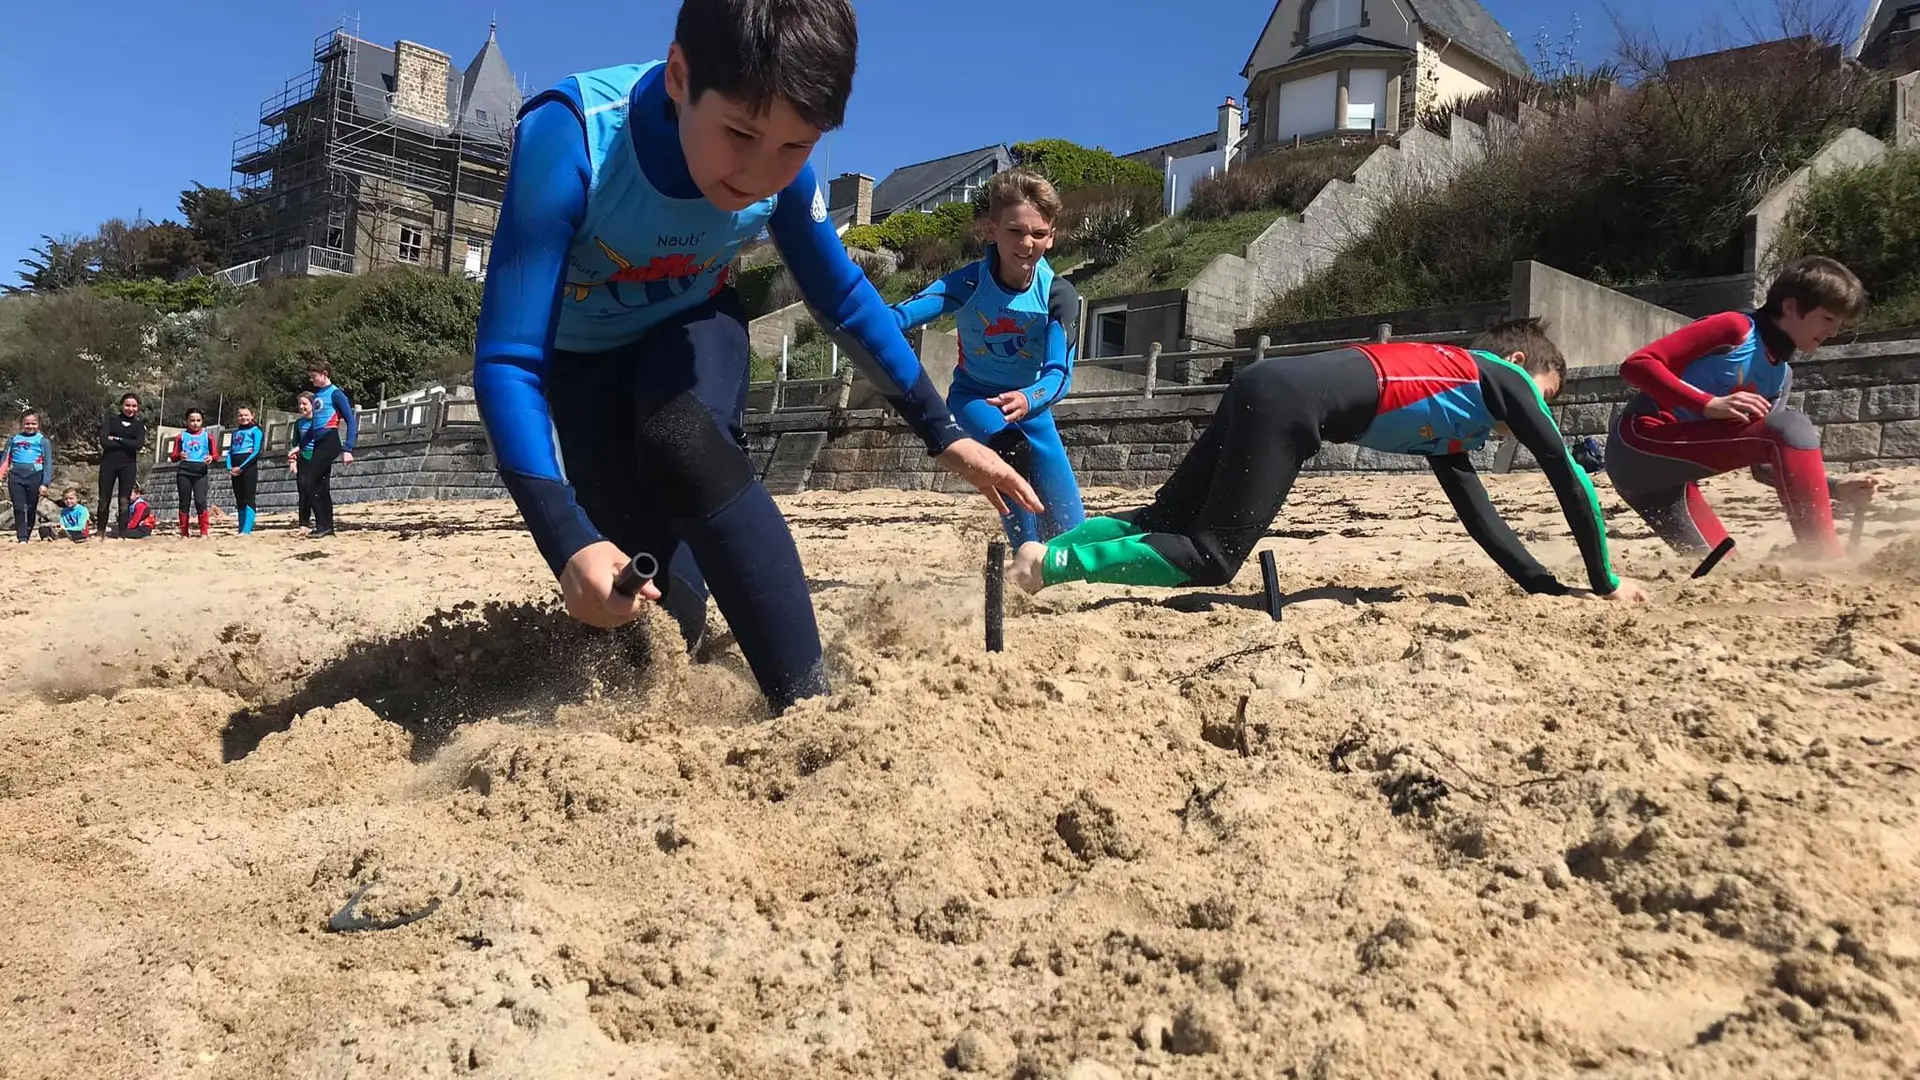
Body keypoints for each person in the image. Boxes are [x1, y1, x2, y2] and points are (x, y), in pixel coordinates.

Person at [473, 0, 1039, 714]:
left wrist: (942, 432)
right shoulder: (572, 136)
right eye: (739, 133)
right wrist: (566, 541)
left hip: (691, 330)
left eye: (794, 148)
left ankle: (809, 709)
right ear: (679, 75)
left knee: (680, 439)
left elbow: (844, 299)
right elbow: (508, 359)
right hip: (579, 367)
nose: (758, 172)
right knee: (638, 618)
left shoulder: (777, 167)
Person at [1009, 319, 1650, 603]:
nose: (1537, 414)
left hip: (1264, 385)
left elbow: (1483, 521)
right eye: (1546, 397)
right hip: (1288, 405)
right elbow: (1570, 477)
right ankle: (1057, 565)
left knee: (1168, 515)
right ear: (1525, 370)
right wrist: (1606, 583)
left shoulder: (1450, 420)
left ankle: (1044, 554)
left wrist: (1542, 585)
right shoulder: (1500, 376)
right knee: (1212, 556)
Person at [1607, 256, 1880, 560]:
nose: (1833, 332)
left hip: (1668, 486)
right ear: (1791, 306)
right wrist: (1708, 404)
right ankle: (1827, 561)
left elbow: (1764, 466)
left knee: (1724, 566)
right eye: (1828, 319)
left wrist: (1836, 487)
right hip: (1639, 446)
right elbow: (1636, 365)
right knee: (1792, 426)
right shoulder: (1735, 329)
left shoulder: (1781, 376)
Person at [891, 169, 1085, 546]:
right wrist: (843, 308)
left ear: (1052, 236)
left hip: (1032, 409)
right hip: (976, 400)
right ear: (991, 230)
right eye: (1014, 231)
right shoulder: (966, 284)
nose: (1026, 244)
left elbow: (1060, 374)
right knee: (1011, 451)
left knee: (1071, 531)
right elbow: (897, 317)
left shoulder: (1059, 295)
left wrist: (1029, 398)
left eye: (1039, 234)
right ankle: (1023, 552)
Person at [303, 364, 356, 538]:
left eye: (314, 376)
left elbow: (350, 420)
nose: (311, 380)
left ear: (324, 374)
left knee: (309, 481)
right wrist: (299, 446)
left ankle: (322, 524)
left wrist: (348, 448)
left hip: (330, 441)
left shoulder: (336, 393)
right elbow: (314, 427)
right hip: (318, 441)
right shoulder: (317, 395)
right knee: (322, 486)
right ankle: (327, 526)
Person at [98, 393, 145, 538]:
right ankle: (100, 532)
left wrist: (117, 439)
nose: (130, 408)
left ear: (138, 408)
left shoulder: (139, 426)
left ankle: (123, 534)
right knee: (103, 500)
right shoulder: (111, 421)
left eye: (134, 406)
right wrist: (126, 442)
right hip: (108, 464)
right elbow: (105, 441)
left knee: (124, 500)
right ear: (121, 406)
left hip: (128, 465)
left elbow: (138, 444)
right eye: (127, 405)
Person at [8, 410, 53, 545]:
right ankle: (22, 537)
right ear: (22, 423)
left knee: (31, 507)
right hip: (16, 476)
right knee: (18, 507)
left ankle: (27, 533)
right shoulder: (14, 439)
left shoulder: (43, 441)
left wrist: (45, 483)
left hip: (35, 476)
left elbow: (48, 463)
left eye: (33, 423)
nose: (30, 426)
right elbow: (5, 460)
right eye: (27, 423)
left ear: (38, 424)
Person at [169, 409, 217, 538]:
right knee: (184, 502)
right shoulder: (181, 437)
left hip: (201, 472)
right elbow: (173, 457)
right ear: (186, 422)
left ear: (202, 422)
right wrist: (179, 455)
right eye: (192, 420)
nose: (195, 423)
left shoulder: (208, 436)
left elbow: (216, 455)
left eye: (198, 420)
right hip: (184, 472)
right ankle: (184, 533)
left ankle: (204, 532)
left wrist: (211, 458)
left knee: (200, 501)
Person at [225, 406, 265, 535]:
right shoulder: (235, 433)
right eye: (240, 415)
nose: (243, 418)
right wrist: (229, 467)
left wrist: (241, 467)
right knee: (239, 498)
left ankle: (247, 530)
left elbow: (256, 451)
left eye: (246, 415)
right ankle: (241, 528)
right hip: (235, 468)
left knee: (248, 498)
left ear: (252, 415)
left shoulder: (256, 431)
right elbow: (230, 451)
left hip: (248, 468)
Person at [288, 392, 318, 530]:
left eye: (304, 403)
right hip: (303, 458)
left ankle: (321, 521)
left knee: (317, 491)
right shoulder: (299, 423)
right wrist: (292, 461)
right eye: (299, 404)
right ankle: (303, 523)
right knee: (303, 490)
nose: (301, 406)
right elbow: (295, 443)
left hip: (318, 457)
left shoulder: (320, 420)